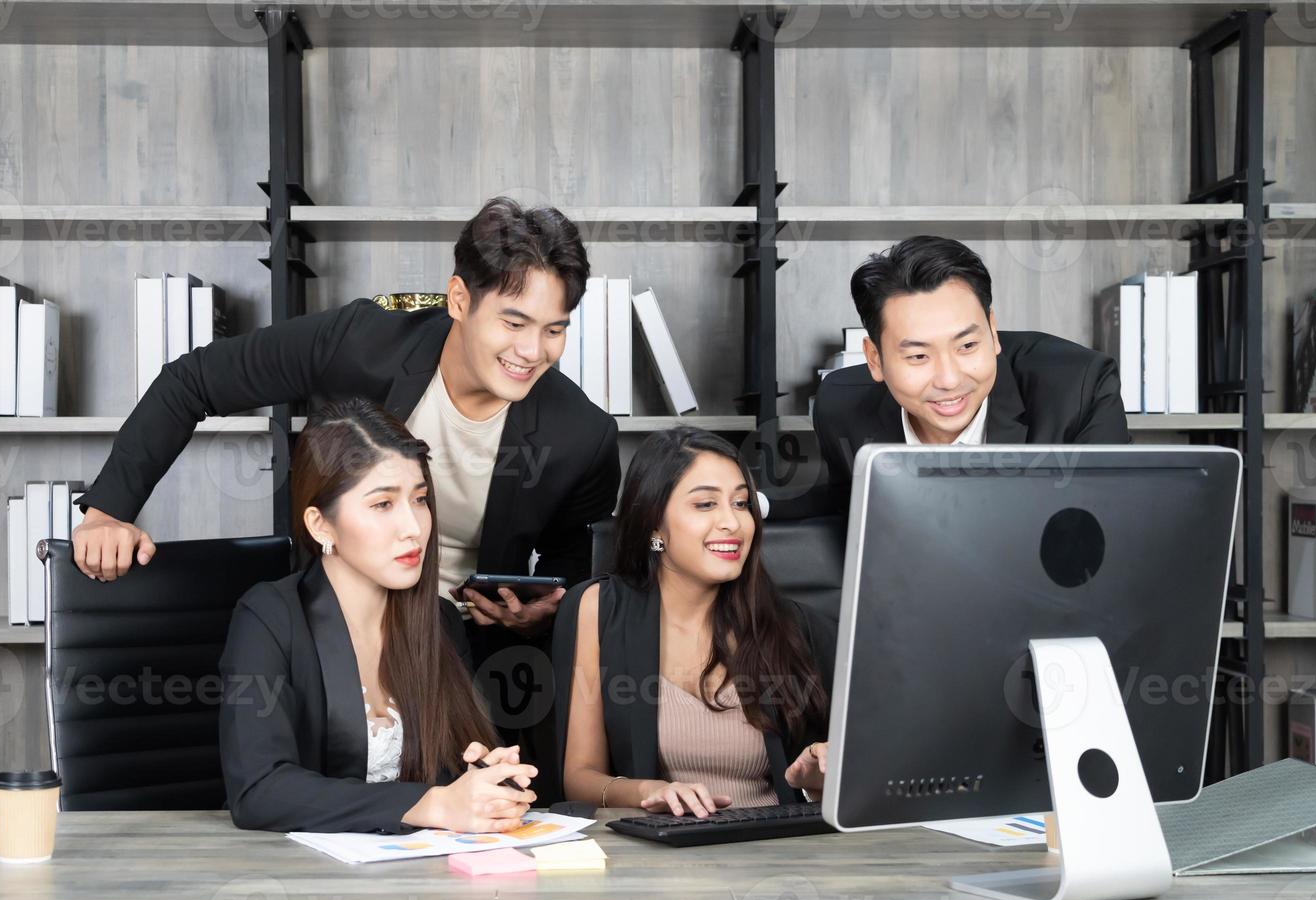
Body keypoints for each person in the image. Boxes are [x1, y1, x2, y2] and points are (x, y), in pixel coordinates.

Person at [73, 197, 620, 646]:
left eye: (554, 329)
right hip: (329, 625)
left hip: (463, 649)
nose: (532, 351)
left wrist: (544, 612)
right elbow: (193, 381)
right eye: (514, 321)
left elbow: (570, 566)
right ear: (459, 299)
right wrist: (107, 512)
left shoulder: (582, 436)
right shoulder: (363, 342)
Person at [219, 398, 537, 833]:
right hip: (301, 881)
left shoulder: (439, 620)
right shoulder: (270, 618)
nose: (413, 527)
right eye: (383, 504)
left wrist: (485, 778)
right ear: (320, 525)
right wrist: (430, 805)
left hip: (420, 875)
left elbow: (453, 768)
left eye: (420, 499)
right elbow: (260, 790)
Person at [554, 427, 833, 818]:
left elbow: (851, 775)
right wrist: (649, 792)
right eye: (705, 505)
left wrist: (819, 775)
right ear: (653, 522)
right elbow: (579, 778)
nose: (732, 523)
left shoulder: (796, 625)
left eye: (741, 504)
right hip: (659, 858)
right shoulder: (598, 609)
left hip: (776, 853)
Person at [813, 235, 1132, 514]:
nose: (949, 380)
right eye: (918, 356)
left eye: (966, 345)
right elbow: (846, 518)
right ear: (875, 359)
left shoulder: (1079, 386)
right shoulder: (841, 405)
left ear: (992, 331)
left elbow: (1110, 531)